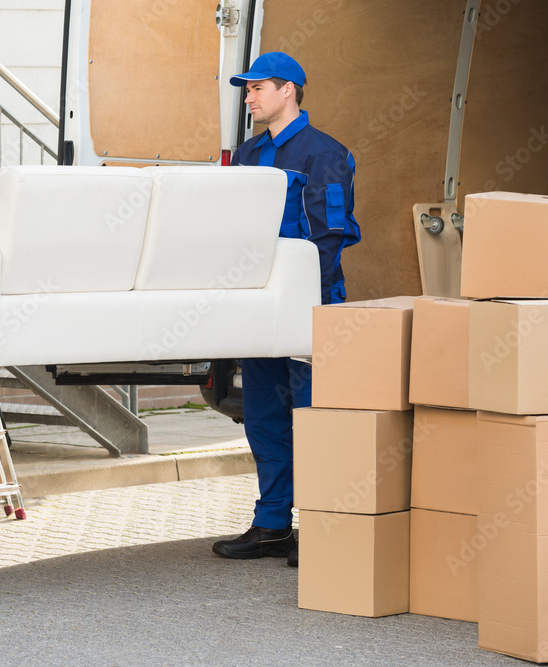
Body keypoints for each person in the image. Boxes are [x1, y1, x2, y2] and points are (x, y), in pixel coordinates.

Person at [211, 52, 360, 567]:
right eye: (247, 89)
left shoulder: (325, 154)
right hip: (258, 308)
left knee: (314, 417)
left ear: (289, 90)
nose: (248, 97)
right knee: (264, 417)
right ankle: (273, 524)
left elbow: (330, 236)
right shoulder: (248, 154)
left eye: (256, 88)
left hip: (310, 307)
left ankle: (322, 526)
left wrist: (305, 304)